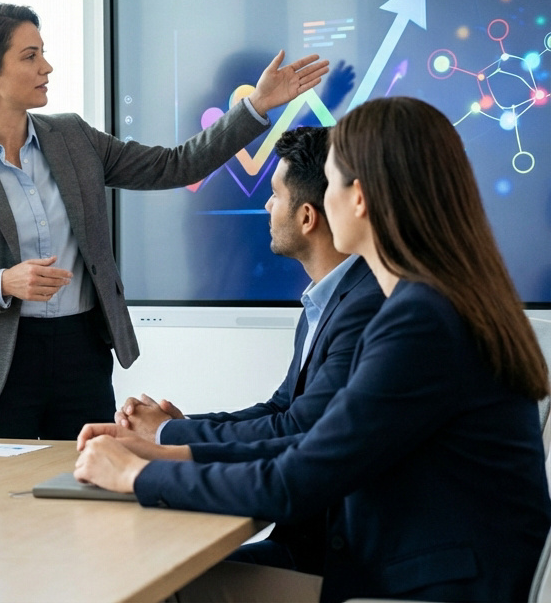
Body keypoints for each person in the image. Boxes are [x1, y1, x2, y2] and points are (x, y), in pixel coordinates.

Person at [74, 96, 551, 602]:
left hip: (416, 589)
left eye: (332, 181)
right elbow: (315, 443)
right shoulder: (439, 300)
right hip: (412, 571)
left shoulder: (421, 321)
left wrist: (138, 475)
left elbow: (296, 479)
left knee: (153, 587)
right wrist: (169, 452)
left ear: (358, 197)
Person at [0, 3, 329, 439]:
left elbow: (175, 165)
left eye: (43, 52)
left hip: (80, 353)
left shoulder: (72, 137)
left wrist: (256, 105)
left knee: (87, 477)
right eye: (30, 56)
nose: (46, 67)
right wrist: (3, 283)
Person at [114, 125, 385, 574]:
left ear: (307, 217)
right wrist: (176, 428)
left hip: (334, 557)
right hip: (312, 541)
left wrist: (163, 443)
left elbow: (300, 429)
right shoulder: (325, 300)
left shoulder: (366, 305)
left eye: (275, 195)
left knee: (154, 575)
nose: (266, 206)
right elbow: (282, 408)